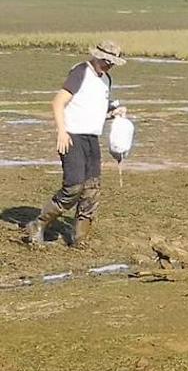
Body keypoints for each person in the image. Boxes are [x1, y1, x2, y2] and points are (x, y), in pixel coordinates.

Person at [25, 41, 128, 247]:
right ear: (97, 56)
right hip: (72, 136)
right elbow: (58, 102)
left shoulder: (106, 79)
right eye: (106, 61)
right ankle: (38, 224)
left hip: (91, 138)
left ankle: (80, 238)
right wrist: (62, 132)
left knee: (92, 188)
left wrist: (112, 114)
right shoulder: (81, 71)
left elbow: (92, 109)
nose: (108, 66)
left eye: (112, 63)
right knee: (74, 186)